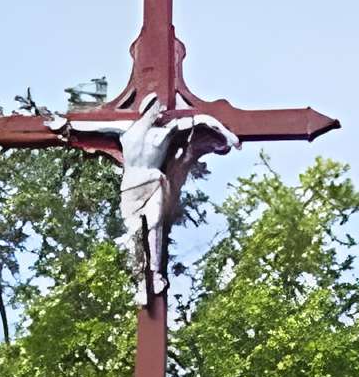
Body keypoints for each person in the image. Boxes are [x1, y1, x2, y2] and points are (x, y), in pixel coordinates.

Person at [51, 94, 238, 306]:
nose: (158, 113)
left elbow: (203, 120)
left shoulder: (167, 130)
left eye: (159, 110)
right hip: (132, 186)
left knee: (155, 224)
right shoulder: (126, 128)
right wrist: (65, 125)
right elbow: (93, 127)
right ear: (147, 109)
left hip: (153, 180)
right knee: (135, 235)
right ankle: (141, 283)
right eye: (155, 108)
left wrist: (227, 135)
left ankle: (156, 274)